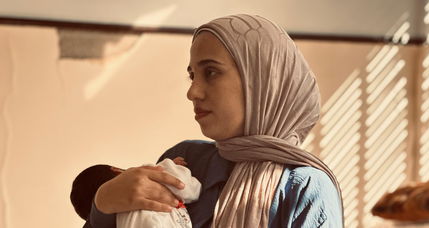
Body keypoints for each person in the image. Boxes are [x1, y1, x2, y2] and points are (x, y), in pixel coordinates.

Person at [82, 14, 344, 228]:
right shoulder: (186, 160)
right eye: (192, 76)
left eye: (211, 72)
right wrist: (103, 203)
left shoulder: (305, 188)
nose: (192, 92)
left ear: (264, 80)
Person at [71, 157, 200, 228]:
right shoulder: (156, 172)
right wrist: (174, 168)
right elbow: (191, 189)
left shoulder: (114, 221)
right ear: (117, 171)